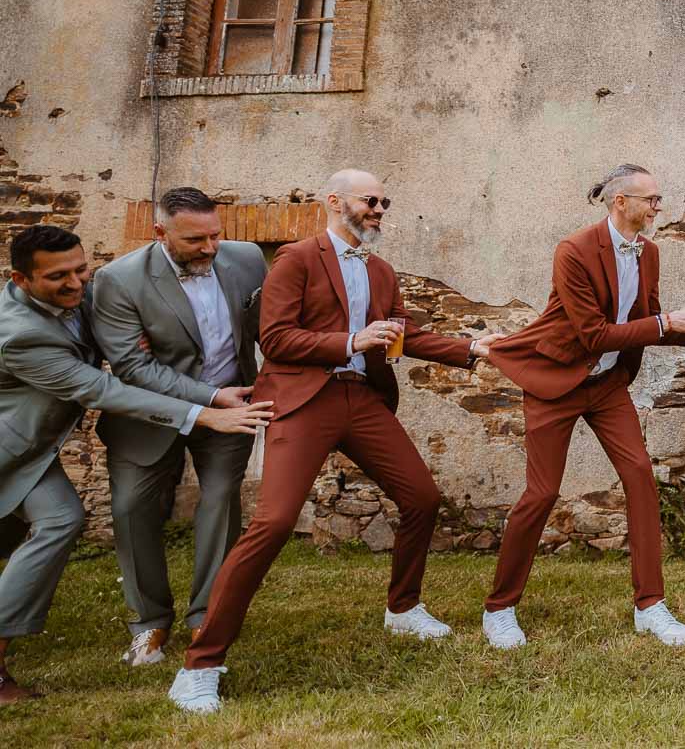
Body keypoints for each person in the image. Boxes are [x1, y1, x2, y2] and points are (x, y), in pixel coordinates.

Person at [169, 170, 501, 713]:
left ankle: (403, 609)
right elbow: (275, 338)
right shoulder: (295, 259)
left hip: (362, 397)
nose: (379, 209)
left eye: (383, 202)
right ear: (333, 202)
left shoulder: (381, 270)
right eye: (370, 200)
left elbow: (404, 335)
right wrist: (350, 339)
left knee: (421, 497)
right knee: (273, 522)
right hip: (302, 399)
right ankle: (201, 664)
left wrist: (470, 348)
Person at [0, 225, 271, 705]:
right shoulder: (19, 335)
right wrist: (204, 411)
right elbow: (100, 389)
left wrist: (134, 341)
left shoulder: (82, 295)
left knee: (61, 519)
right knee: (67, 520)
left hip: (34, 445)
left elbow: (119, 335)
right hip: (11, 449)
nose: (77, 284)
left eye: (81, 270)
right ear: (20, 280)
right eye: (58, 276)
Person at [484, 164, 685, 652]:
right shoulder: (573, 251)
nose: (658, 207)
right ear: (621, 203)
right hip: (557, 379)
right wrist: (663, 321)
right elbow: (592, 334)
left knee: (640, 477)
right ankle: (500, 608)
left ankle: (650, 606)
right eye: (651, 199)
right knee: (542, 493)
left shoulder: (649, 252)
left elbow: (646, 321)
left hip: (607, 383)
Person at [89, 187, 268, 667]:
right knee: (131, 511)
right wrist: (209, 397)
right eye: (195, 241)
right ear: (160, 233)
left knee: (220, 504)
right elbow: (133, 369)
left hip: (234, 408)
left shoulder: (249, 258)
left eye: (215, 235)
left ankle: (206, 618)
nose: (210, 248)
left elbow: (268, 326)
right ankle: (148, 624)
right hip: (149, 416)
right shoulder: (117, 280)